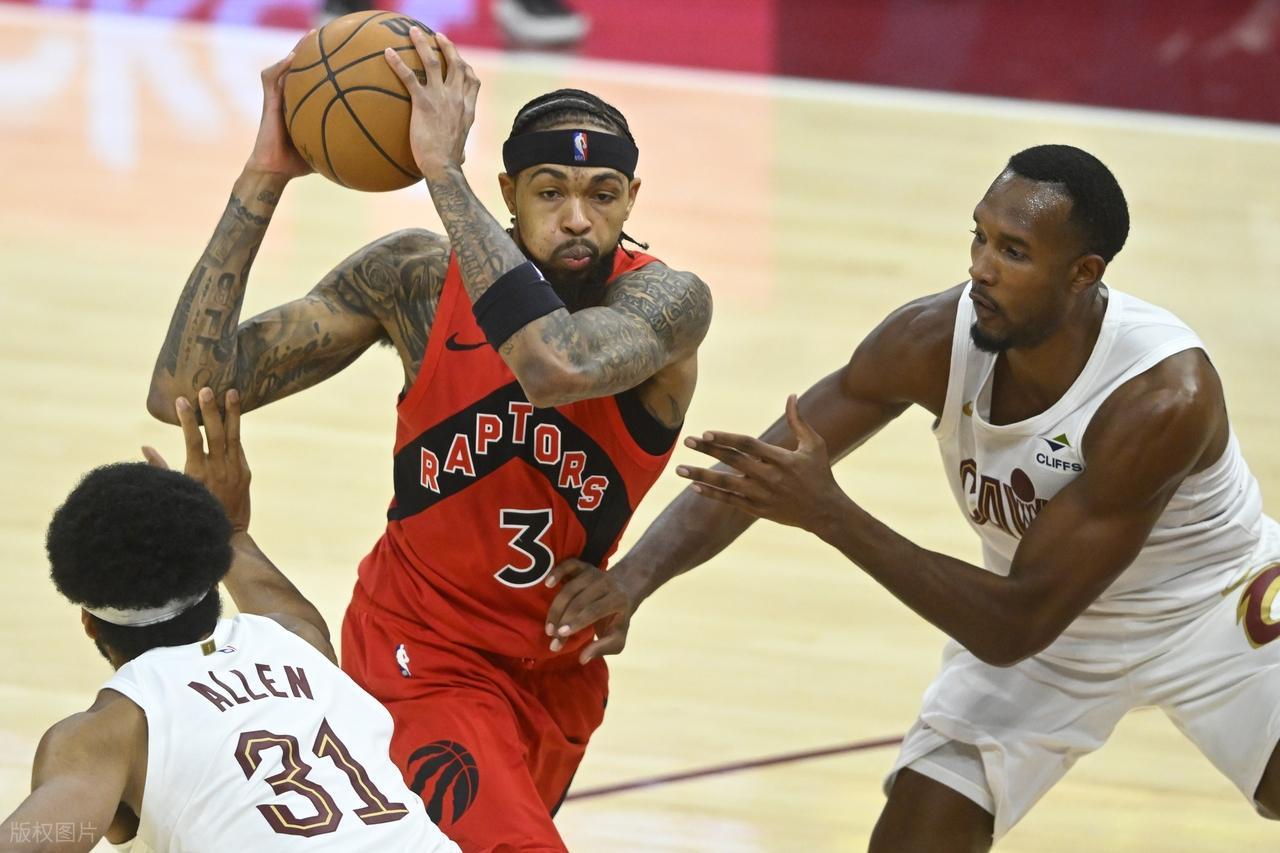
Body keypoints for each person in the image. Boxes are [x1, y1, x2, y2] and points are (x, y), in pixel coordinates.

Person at [543, 144, 1280, 850]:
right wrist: (631, 580)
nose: (981, 268)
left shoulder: (1161, 396)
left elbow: (1012, 626)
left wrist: (830, 514)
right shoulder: (930, 338)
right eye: (979, 237)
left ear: (1083, 273)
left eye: (1014, 252)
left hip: (1205, 607)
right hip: (1042, 628)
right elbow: (765, 472)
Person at [145, 31, 710, 852]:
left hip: (558, 675)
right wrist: (264, 175)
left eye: (603, 193)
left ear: (632, 200)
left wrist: (443, 171)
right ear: (508, 192)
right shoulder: (416, 279)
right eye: (550, 191)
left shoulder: (666, 304)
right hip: (419, 653)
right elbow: (181, 389)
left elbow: (555, 364)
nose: (577, 218)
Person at [1, 389, 459, 852]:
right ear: (212, 581)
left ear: (89, 622)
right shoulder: (297, 639)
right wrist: (228, 527)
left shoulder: (109, 733)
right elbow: (272, 590)